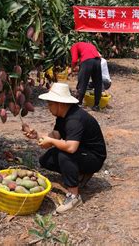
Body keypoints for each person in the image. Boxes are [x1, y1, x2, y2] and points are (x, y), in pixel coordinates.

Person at [24, 83, 107, 213]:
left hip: (94, 158)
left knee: (65, 155)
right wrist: (37, 136)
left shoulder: (75, 119)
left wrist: (50, 140)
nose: (48, 107)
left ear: (60, 104)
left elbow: (71, 148)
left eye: (50, 104)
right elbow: (55, 136)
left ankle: (74, 196)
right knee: (46, 160)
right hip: (83, 152)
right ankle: (80, 174)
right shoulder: (63, 115)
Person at [70, 42, 102, 111]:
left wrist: (72, 69)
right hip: (98, 61)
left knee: (82, 82)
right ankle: (96, 105)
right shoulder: (88, 44)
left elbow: (74, 60)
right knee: (97, 83)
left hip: (87, 61)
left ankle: (79, 102)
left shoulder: (74, 46)